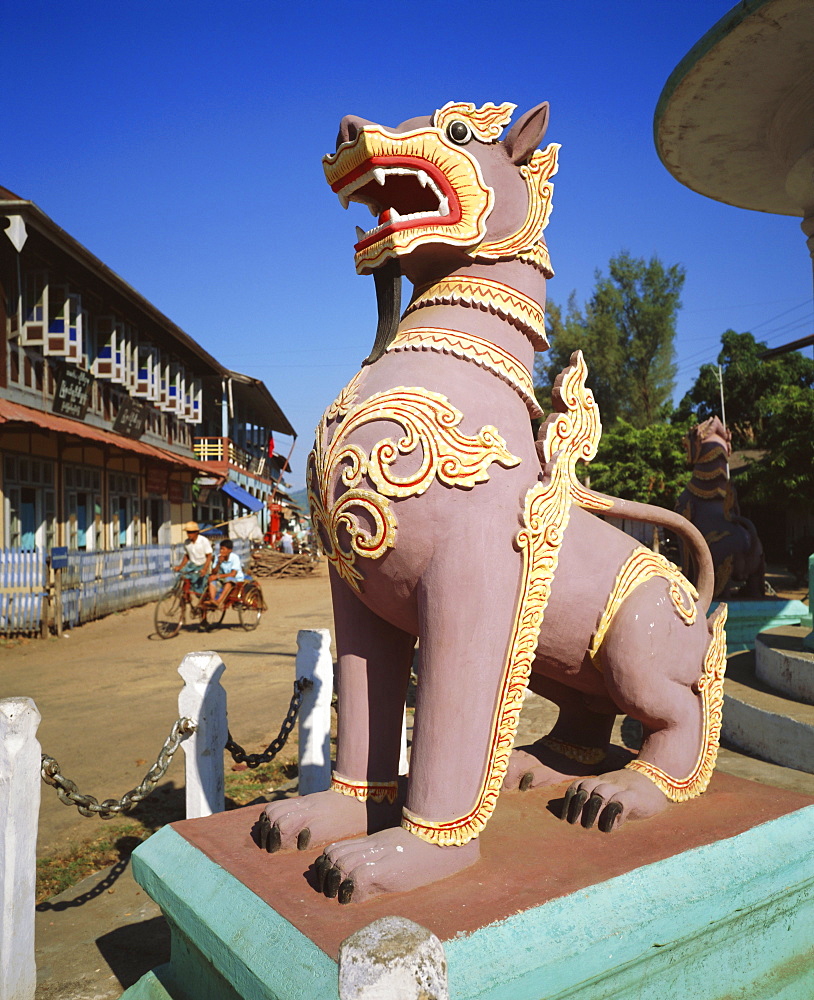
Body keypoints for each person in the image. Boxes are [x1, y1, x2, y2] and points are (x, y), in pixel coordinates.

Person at [173, 522, 213, 598]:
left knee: (199, 588)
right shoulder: (187, 542)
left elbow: (209, 556)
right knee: (182, 575)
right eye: (188, 532)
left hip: (202, 565)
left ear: (196, 532)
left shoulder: (203, 541)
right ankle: (182, 594)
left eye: (191, 532)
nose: (189, 534)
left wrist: (205, 569)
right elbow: (187, 556)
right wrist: (180, 566)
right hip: (192, 565)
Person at [206, 538, 245, 609]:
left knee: (229, 581)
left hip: (236, 579)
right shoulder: (218, 557)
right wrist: (218, 563)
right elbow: (213, 572)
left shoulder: (235, 558)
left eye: (223, 549)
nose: (221, 551)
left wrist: (218, 576)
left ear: (229, 550)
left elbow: (233, 574)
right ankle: (213, 600)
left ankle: (219, 601)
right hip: (223, 578)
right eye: (220, 549)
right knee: (211, 580)